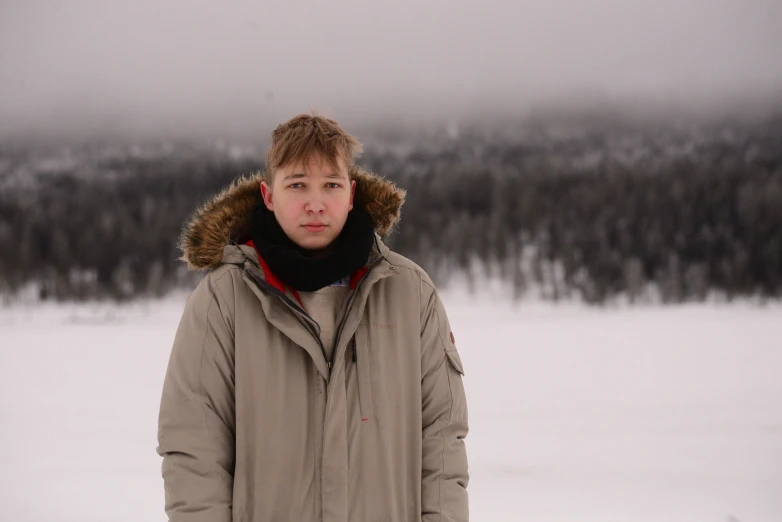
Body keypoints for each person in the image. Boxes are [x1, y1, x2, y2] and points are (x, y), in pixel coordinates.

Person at [156, 112, 469, 522]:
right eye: (298, 184)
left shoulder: (410, 293)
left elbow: (442, 441)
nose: (315, 203)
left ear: (351, 193)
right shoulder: (222, 301)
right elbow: (193, 448)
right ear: (269, 196)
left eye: (331, 185)